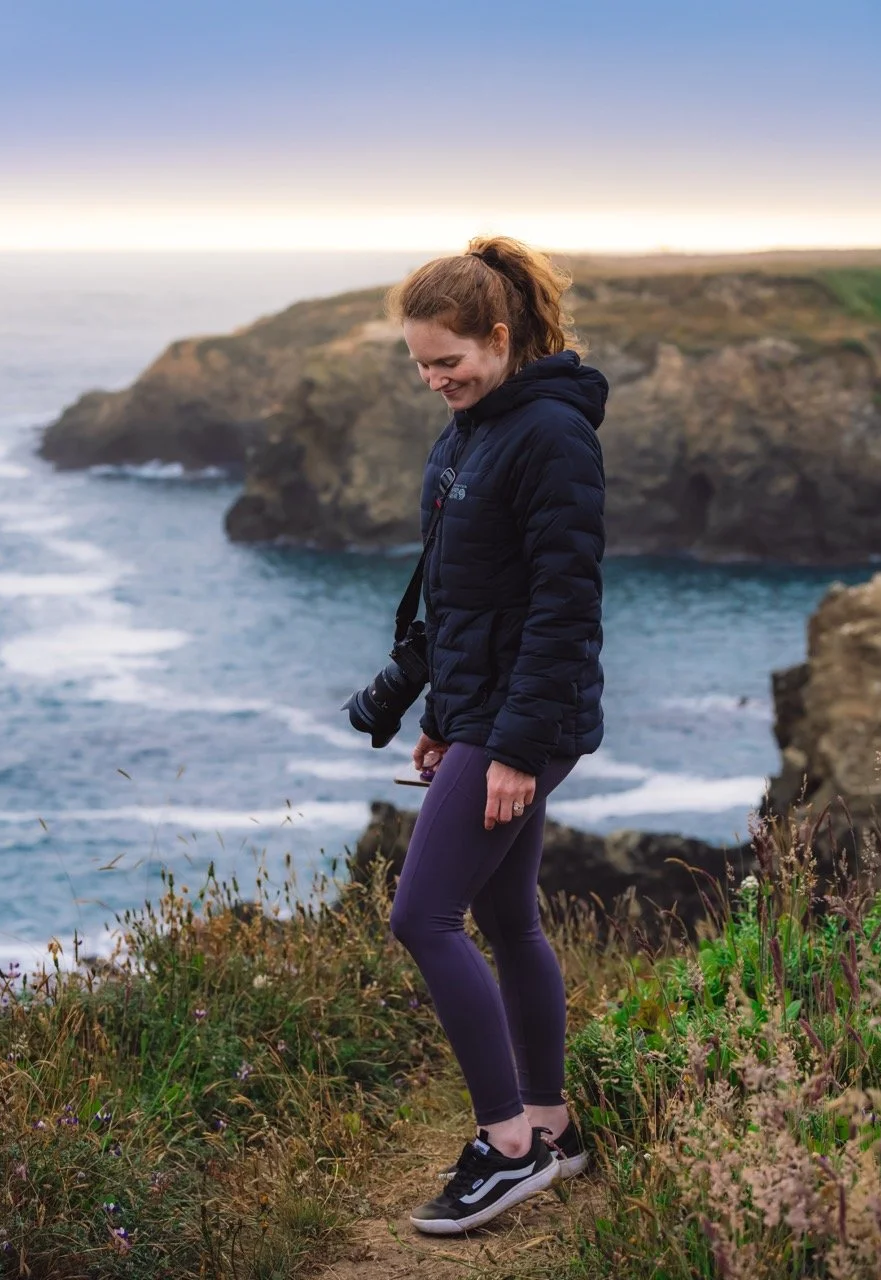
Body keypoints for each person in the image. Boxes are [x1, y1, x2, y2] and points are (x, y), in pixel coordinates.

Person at [384, 236, 608, 1234]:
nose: (437, 381)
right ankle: (554, 1126)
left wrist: (513, 747)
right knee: (508, 919)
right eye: (423, 366)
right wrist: (443, 720)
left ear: (501, 337)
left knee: (422, 917)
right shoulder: (471, 428)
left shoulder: (551, 434)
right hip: (491, 708)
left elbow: (564, 604)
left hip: (531, 712)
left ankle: (505, 1144)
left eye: (451, 360)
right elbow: (466, 597)